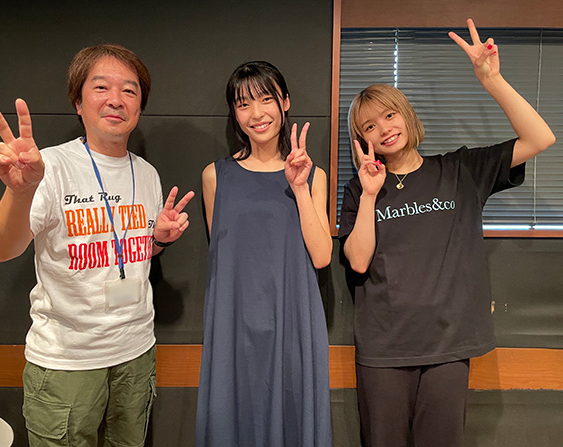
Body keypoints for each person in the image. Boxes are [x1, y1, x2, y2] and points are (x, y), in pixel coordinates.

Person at [339, 19, 556, 447]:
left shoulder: (461, 170)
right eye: (369, 126)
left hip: (448, 344)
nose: (383, 128)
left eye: (389, 114)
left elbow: (540, 138)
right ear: (362, 139)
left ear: (406, 115)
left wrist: (492, 80)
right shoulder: (359, 189)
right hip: (384, 348)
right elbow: (358, 261)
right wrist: (369, 194)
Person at [0, 44, 195, 447]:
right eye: (101, 87)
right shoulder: (48, 166)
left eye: (129, 90)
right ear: (78, 102)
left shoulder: (146, 174)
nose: (116, 99)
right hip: (66, 361)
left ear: (140, 106)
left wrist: (157, 239)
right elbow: (1, 249)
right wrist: (20, 192)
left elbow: (133, 253)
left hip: (135, 352)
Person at [196, 61, 333, 447]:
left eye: (266, 99)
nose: (256, 113)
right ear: (235, 113)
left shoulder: (314, 175)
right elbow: (223, 256)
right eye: (243, 104)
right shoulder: (215, 176)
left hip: (293, 318)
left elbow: (321, 256)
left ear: (285, 102)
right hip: (234, 321)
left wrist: (300, 188)